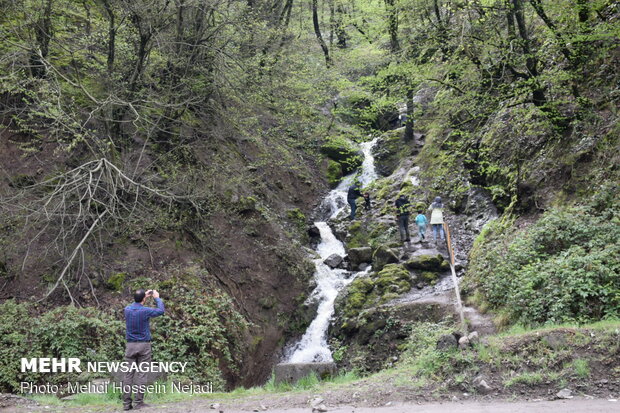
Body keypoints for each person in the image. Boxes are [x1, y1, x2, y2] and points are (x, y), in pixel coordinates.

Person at [123, 289, 165, 411]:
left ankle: (126, 404)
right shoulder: (145, 311)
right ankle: (138, 402)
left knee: (128, 375)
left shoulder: (127, 310)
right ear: (144, 299)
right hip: (144, 346)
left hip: (130, 346)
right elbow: (161, 311)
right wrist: (156, 298)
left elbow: (135, 304)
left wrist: (142, 297)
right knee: (142, 374)